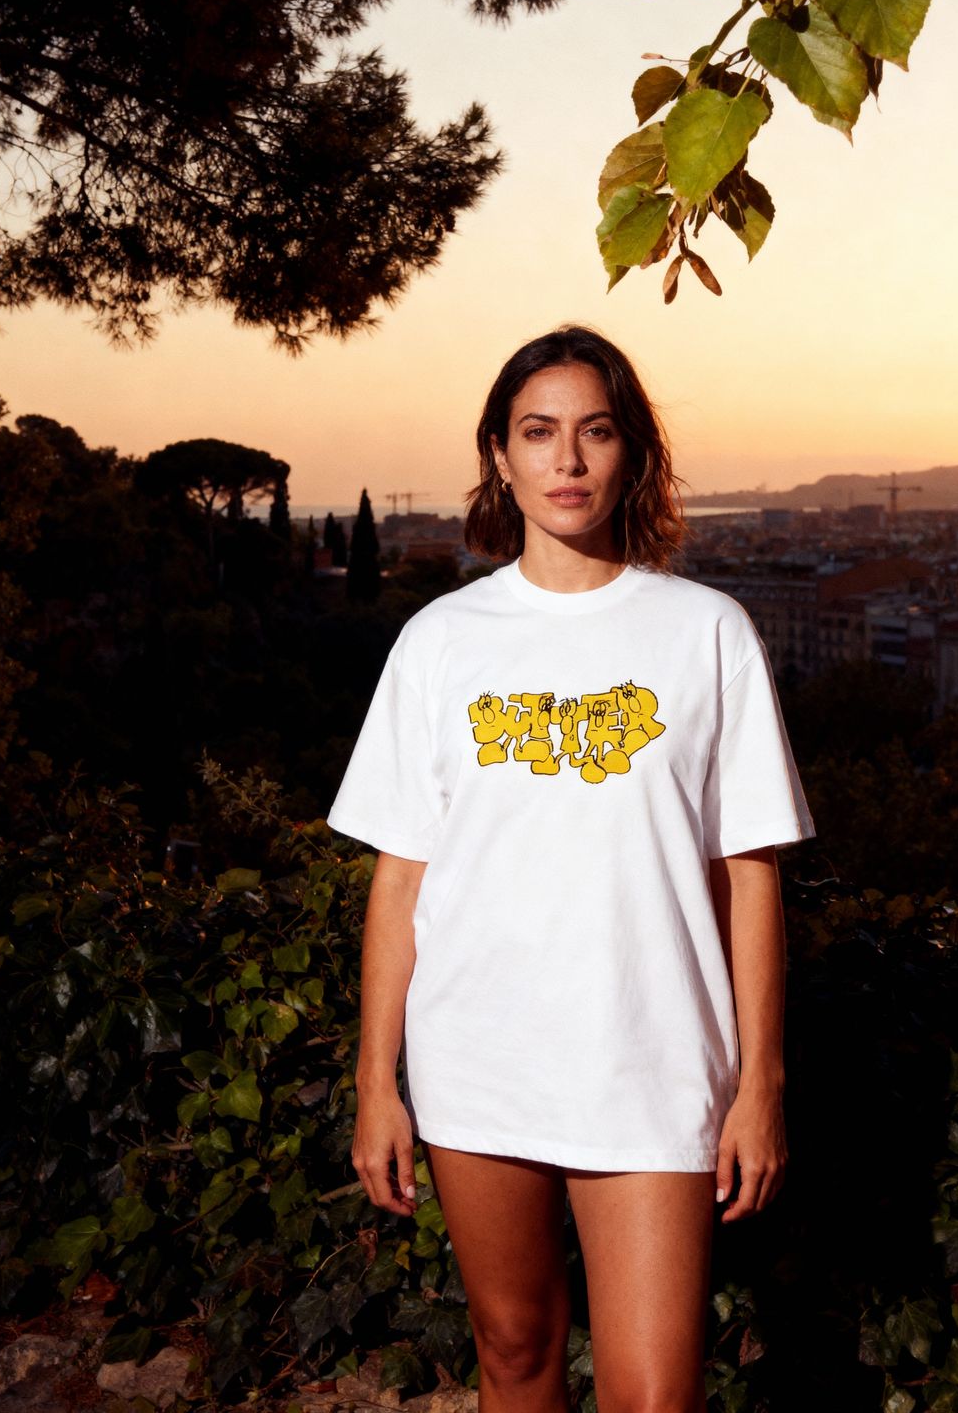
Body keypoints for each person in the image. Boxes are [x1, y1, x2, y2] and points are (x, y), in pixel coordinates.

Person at [328, 324, 814, 1413]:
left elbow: (752, 877)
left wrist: (761, 1085)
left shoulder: (709, 634)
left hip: (654, 1065)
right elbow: (400, 881)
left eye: (596, 432)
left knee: (654, 1394)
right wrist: (375, 1084)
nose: (569, 460)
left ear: (633, 452)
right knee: (513, 1351)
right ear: (499, 455)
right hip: (479, 1065)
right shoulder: (441, 642)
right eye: (539, 433)